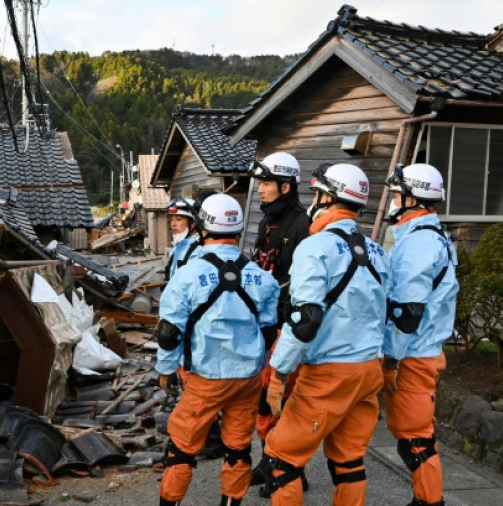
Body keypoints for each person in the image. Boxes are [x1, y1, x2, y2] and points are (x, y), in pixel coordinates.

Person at [260, 163, 388, 506]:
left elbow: (305, 320)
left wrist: (279, 373)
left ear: (326, 198)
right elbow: (387, 314)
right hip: (368, 369)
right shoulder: (377, 251)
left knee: (281, 460)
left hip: (330, 372)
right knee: (349, 460)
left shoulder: (314, 248)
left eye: (316, 193)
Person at [155, 194, 280, 506]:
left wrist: (167, 370)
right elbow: (267, 331)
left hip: (205, 378)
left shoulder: (186, 275)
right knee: (238, 449)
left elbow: (169, 333)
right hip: (248, 378)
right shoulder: (262, 278)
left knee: (181, 449)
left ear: (202, 228)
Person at [382, 163, 459, 506]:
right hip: (423, 349)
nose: (393, 201)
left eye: (397, 194)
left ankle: (430, 502)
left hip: (412, 353)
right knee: (415, 434)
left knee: (415, 439)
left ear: (412, 198)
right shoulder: (433, 236)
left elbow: (407, 312)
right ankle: (424, 498)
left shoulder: (418, 243)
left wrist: (390, 358)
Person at [246, 152, 311, 495]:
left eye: (266, 183)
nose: (260, 190)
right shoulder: (265, 222)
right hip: (265, 322)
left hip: (287, 324)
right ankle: (268, 460)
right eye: (260, 183)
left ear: (286, 186)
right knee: (262, 399)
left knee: (281, 399)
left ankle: (291, 469)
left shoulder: (303, 225)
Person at [164, 197, 200, 284]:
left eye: (178, 219)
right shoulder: (178, 246)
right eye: (172, 219)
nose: (173, 224)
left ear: (193, 223)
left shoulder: (198, 252)